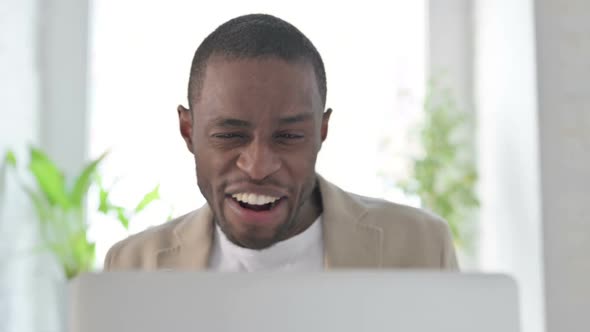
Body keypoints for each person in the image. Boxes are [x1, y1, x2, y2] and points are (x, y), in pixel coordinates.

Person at [104, 13, 458, 272]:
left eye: (289, 136)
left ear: (321, 133)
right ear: (188, 132)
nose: (258, 167)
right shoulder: (132, 266)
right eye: (229, 136)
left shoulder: (422, 248)